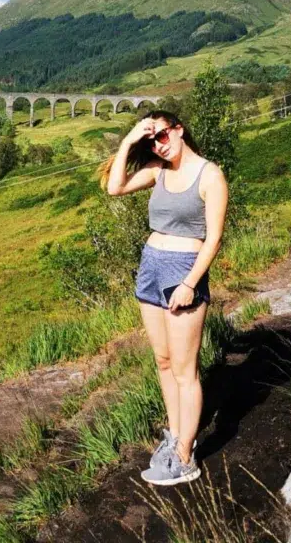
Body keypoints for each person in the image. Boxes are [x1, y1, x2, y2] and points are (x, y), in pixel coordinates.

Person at [101, 111, 228, 486]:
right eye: (152, 139)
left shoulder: (210, 175)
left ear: (179, 129)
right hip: (151, 267)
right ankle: (174, 436)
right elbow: (114, 188)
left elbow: (215, 238)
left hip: (183, 271)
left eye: (162, 134)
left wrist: (191, 282)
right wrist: (128, 141)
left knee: (186, 370)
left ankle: (186, 457)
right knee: (163, 361)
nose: (159, 143)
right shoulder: (158, 170)